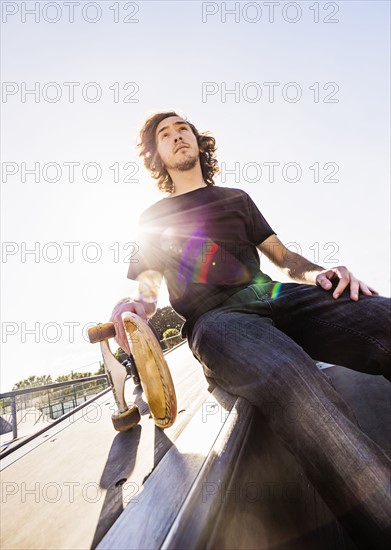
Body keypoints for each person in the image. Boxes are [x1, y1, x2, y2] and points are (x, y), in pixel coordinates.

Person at [110, 111, 391, 548]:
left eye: (181, 127)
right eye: (164, 135)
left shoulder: (236, 198)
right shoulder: (152, 217)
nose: (176, 136)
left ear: (197, 141)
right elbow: (149, 287)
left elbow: (283, 258)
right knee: (293, 379)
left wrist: (322, 272)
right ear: (157, 156)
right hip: (217, 319)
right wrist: (137, 308)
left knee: (381, 316)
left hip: (276, 295)